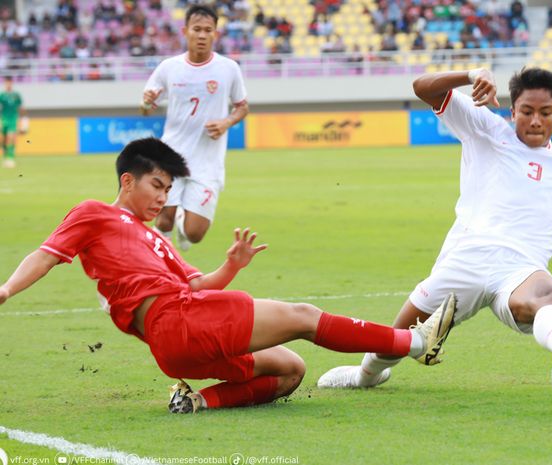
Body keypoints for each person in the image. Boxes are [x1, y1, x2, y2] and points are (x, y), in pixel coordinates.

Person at [0, 137, 455, 414]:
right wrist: (5, 289)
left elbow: (198, 285)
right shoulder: (94, 213)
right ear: (126, 182)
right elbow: (45, 255)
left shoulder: (156, 240)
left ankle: (198, 401)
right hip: (176, 321)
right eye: (156, 187)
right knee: (301, 315)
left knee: (290, 371)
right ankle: (415, 343)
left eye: (168, 190)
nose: (163, 199)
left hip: (177, 346)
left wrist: (231, 266)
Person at [317, 67, 552, 389]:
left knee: (547, 292)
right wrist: (471, 74)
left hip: (520, 268)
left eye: (546, 112)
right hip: (464, 261)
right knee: (396, 342)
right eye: (527, 111)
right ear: (512, 110)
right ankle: (366, 375)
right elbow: (422, 88)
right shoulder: (485, 128)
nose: (536, 120)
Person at [140, 4, 249, 251]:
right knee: (163, 219)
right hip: (171, 156)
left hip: (208, 163)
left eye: (207, 30)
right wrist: (146, 103)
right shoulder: (169, 67)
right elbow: (146, 109)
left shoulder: (228, 68)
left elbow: (242, 107)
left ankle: (182, 221)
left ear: (215, 34)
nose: (201, 35)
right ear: (185, 30)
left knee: (195, 233)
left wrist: (226, 122)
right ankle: (161, 274)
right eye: (196, 29)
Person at [0, 76, 28, 169]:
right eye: (6, 83)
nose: (8, 84)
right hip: (3, 119)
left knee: (10, 137)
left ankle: (10, 158)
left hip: (13, 119)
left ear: (12, 83)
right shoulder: (2, 95)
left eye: (9, 82)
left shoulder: (16, 95)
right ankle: (6, 155)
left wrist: (24, 122)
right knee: (2, 140)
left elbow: (21, 108)